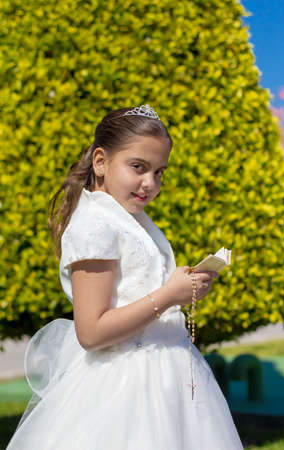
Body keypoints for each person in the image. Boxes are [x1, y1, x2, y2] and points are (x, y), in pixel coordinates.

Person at [6, 104, 243, 449]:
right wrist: (168, 296)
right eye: (138, 167)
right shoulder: (94, 225)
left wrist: (182, 286)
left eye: (159, 172)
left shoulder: (129, 219)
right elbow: (91, 331)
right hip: (123, 389)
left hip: (166, 378)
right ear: (101, 162)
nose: (150, 183)